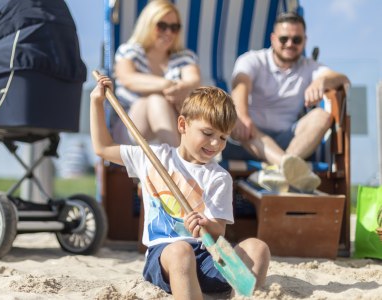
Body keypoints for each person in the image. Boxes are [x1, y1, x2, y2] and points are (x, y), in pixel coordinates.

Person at [91, 75, 270, 299]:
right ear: (183, 125)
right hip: (165, 257)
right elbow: (103, 147)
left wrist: (206, 224)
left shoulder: (219, 177)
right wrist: (97, 102)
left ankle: (242, 295)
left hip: (208, 258)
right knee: (181, 251)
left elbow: (218, 230)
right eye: (207, 133)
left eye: (223, 137)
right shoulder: (152, 156)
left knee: (257, 247)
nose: (215, 143)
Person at [223, 12, 350, 193]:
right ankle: (288, 167)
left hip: (288, 141)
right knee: (240, 121)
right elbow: (240, 86)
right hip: (248, 138)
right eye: (284, 39)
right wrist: (241, 115)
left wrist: (322, 81)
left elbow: (343, 79)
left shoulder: (309, 67)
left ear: (304, 41)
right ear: (273, 39)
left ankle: (278, 171)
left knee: (322, 116)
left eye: (296, 40)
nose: (290, 44)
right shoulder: (253, 60)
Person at [112, 0, 201, 147]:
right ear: (148, 24)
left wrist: (182, 88)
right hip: (131, 128)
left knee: (159, 101)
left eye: (174, 27)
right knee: (156, 100)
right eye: (162, 26)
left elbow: (193, 82)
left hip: (172, 126)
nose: (168, 33)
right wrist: (167, 85)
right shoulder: (130, 51)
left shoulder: (185, 57)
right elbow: (128, 78)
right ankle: (178, 163)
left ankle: (174, 162)